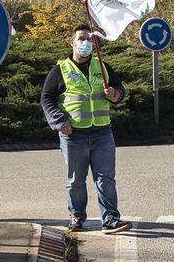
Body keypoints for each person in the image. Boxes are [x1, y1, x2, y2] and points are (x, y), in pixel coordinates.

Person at [41, 25, 132, 234]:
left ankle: (110, 220)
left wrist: (116, 95)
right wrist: (59, 121)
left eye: (90, 40)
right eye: (81, 39)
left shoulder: (102, 67)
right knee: (75, 180)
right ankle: (76, 217)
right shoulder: (60, 70)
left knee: (105, 178)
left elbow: (120, 91)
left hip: (102, 133)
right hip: (73, 135)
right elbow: (46, 99)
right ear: (72, 42)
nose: (86, 43)